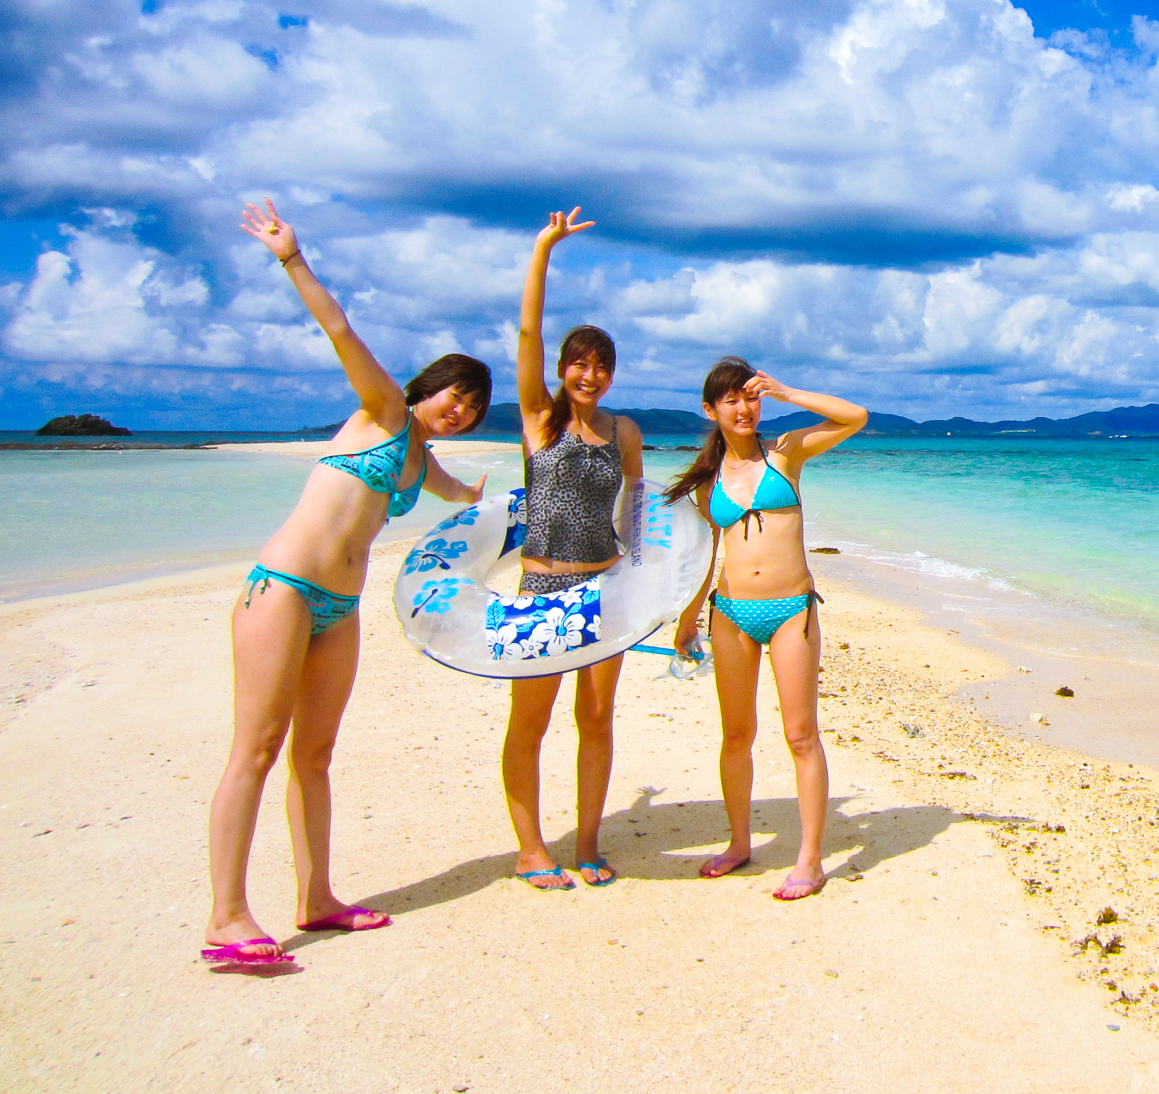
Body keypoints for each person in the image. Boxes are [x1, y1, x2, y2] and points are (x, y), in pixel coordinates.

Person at [206, 201, 491, 969]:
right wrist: (291, 258)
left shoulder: (419, 460)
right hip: (286, 587)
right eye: (453, 394)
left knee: (316, 754)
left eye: (471, 406)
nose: (459, 409)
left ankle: (317, 897)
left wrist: (499, 506)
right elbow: (341, 331)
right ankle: (227, 916)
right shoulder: (383, 411)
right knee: (257, 748)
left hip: (340, 608)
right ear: (426, 388)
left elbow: (461, 495)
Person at [670, 357, 866, 900]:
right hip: (730, 613)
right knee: (737, 735)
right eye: (730, 399)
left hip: (791, 611)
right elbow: (704, 555)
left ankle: (809, 858)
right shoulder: (708, 480)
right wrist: (688, 620)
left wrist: (786, 390)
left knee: (801, 735)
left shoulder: (785, 453)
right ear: (711, 410)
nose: (744, 408)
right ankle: (738, 843)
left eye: (750, 397)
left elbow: (855, 417)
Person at [499, 208, 644, 891]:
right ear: (562, 369)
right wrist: (543, 248)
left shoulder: (624, 431)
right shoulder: (539, 417)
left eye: (601, 367)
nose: (590, 375)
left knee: (596, 719)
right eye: (579, 364)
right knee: (532, 719)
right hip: (543, 589)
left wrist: (647, 577)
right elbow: (526, 331)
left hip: (604, 589)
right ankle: (531, 850)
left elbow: (637, 507)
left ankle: (588, 843)